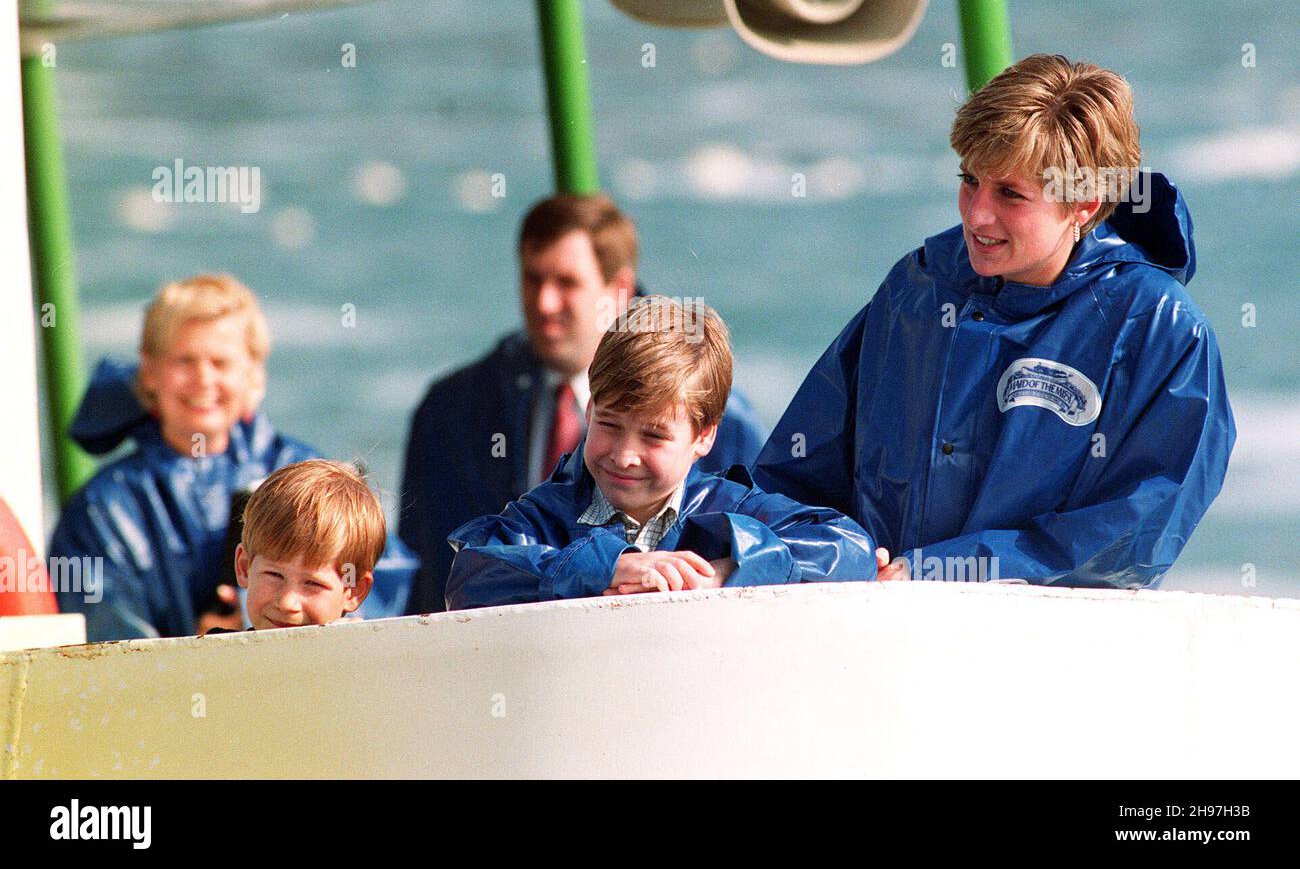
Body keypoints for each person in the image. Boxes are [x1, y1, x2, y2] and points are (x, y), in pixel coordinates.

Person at [755, 54, 1235, 588]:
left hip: (1037, 647)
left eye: (1010, 193)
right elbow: (796, 477)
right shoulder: (917, 288)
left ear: (1082, 203)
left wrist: (946, 571)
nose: (976, 213)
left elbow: (1130, 538)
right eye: (969, 180)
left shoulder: (1160, 329)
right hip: (877, 628)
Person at [401, 194, 768, 613]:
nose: (544, 303)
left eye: (566, 283)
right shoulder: (452, 408)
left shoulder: (722, 414)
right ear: (592, 411)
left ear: (620, 290)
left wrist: (732, 569)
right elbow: (434, 572)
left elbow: (821, 543)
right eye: (532, 279)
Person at [445, 296, 874, 609]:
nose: (625, 455)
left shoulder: (734, 509)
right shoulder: (542, 518)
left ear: (704, 437)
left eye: (653, 437)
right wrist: (606, 568)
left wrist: (730, 570)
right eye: (609, 424)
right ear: (589, 409)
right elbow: (470, 576)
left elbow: (849, 548)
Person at [47, 274, 318, 641]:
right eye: (184, 361)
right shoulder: (104, 509)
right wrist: (201, 652)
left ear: (254, 375)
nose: (203, 379)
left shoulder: (307, 475)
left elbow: (379, 589)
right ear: (150, 373)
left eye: (220, 363)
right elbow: (105, 643)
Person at [231, 460, 384, 630]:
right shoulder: (210, 653)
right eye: (274, 575)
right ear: (244, 567)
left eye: (312, 583)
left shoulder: (364, 656)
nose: (287, 603)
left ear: (353, 590)